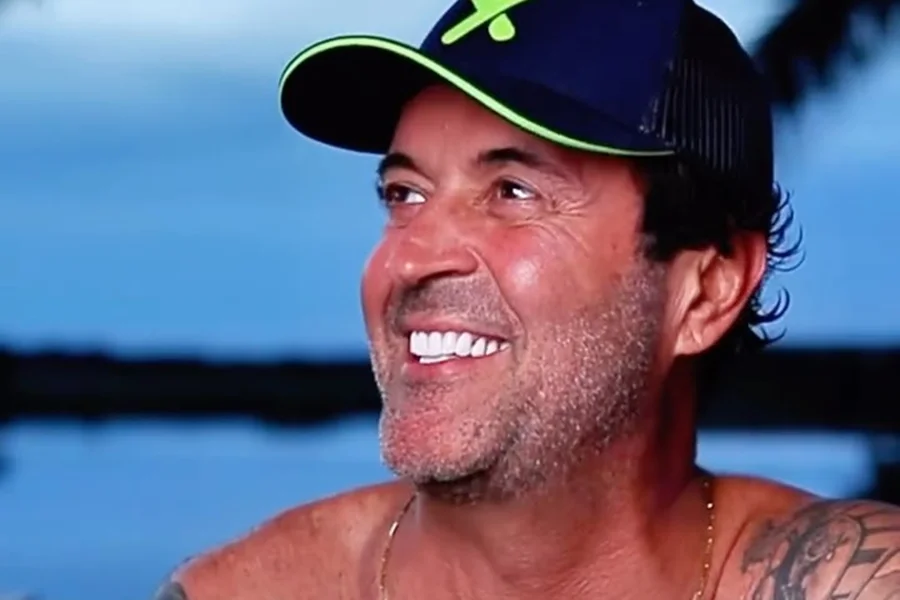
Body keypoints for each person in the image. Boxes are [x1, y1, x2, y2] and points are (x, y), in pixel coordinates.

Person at [153, 0, 900, 598]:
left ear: (707, 287)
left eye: (512, 192)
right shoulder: (242, 591)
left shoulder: (847, 581)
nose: (410, 258)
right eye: (405, 194)